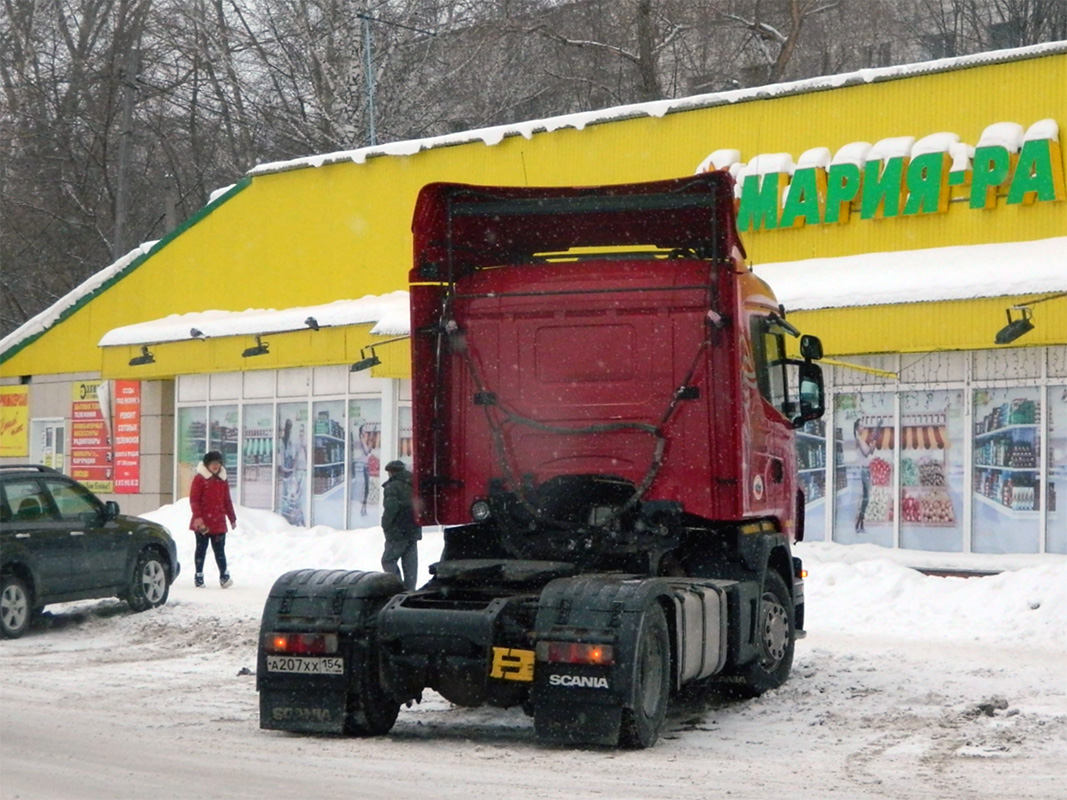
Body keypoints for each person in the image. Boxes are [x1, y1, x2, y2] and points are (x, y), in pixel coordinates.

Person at [189, 450, 237, 588]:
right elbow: (194, 500)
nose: (216, 466)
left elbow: (227, 500)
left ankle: (224, 575)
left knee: (220, 550)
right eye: (213, 463)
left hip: (218, 521)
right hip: (203, 522)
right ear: (207, 465)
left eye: (218, 463)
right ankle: (198, 575)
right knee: (201, 549)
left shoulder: (223, 479)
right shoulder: (199, 479)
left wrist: (232, 518)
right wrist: (198, 517)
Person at [380, 460, 421, 590]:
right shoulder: (414, 484)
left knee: (388, 560)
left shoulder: (392, 486)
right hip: (413, 528)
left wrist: (385, 524)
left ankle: (396, 587)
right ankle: (410, 590)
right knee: (410, 562)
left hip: (397, 530)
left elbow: (391, 508)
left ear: (391, 472)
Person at [853, 419, 878, 533]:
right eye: (861, 426)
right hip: (863, 470)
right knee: (866, 497)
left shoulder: (861, 439)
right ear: (857, 428)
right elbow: (866, 452)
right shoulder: (858, 439)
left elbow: (870, 452)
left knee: (865, 498)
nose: (863, 428)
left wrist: (873, 443)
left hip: (865, 470)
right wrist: (871, 445)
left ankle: (860, 523)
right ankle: (859, 522)